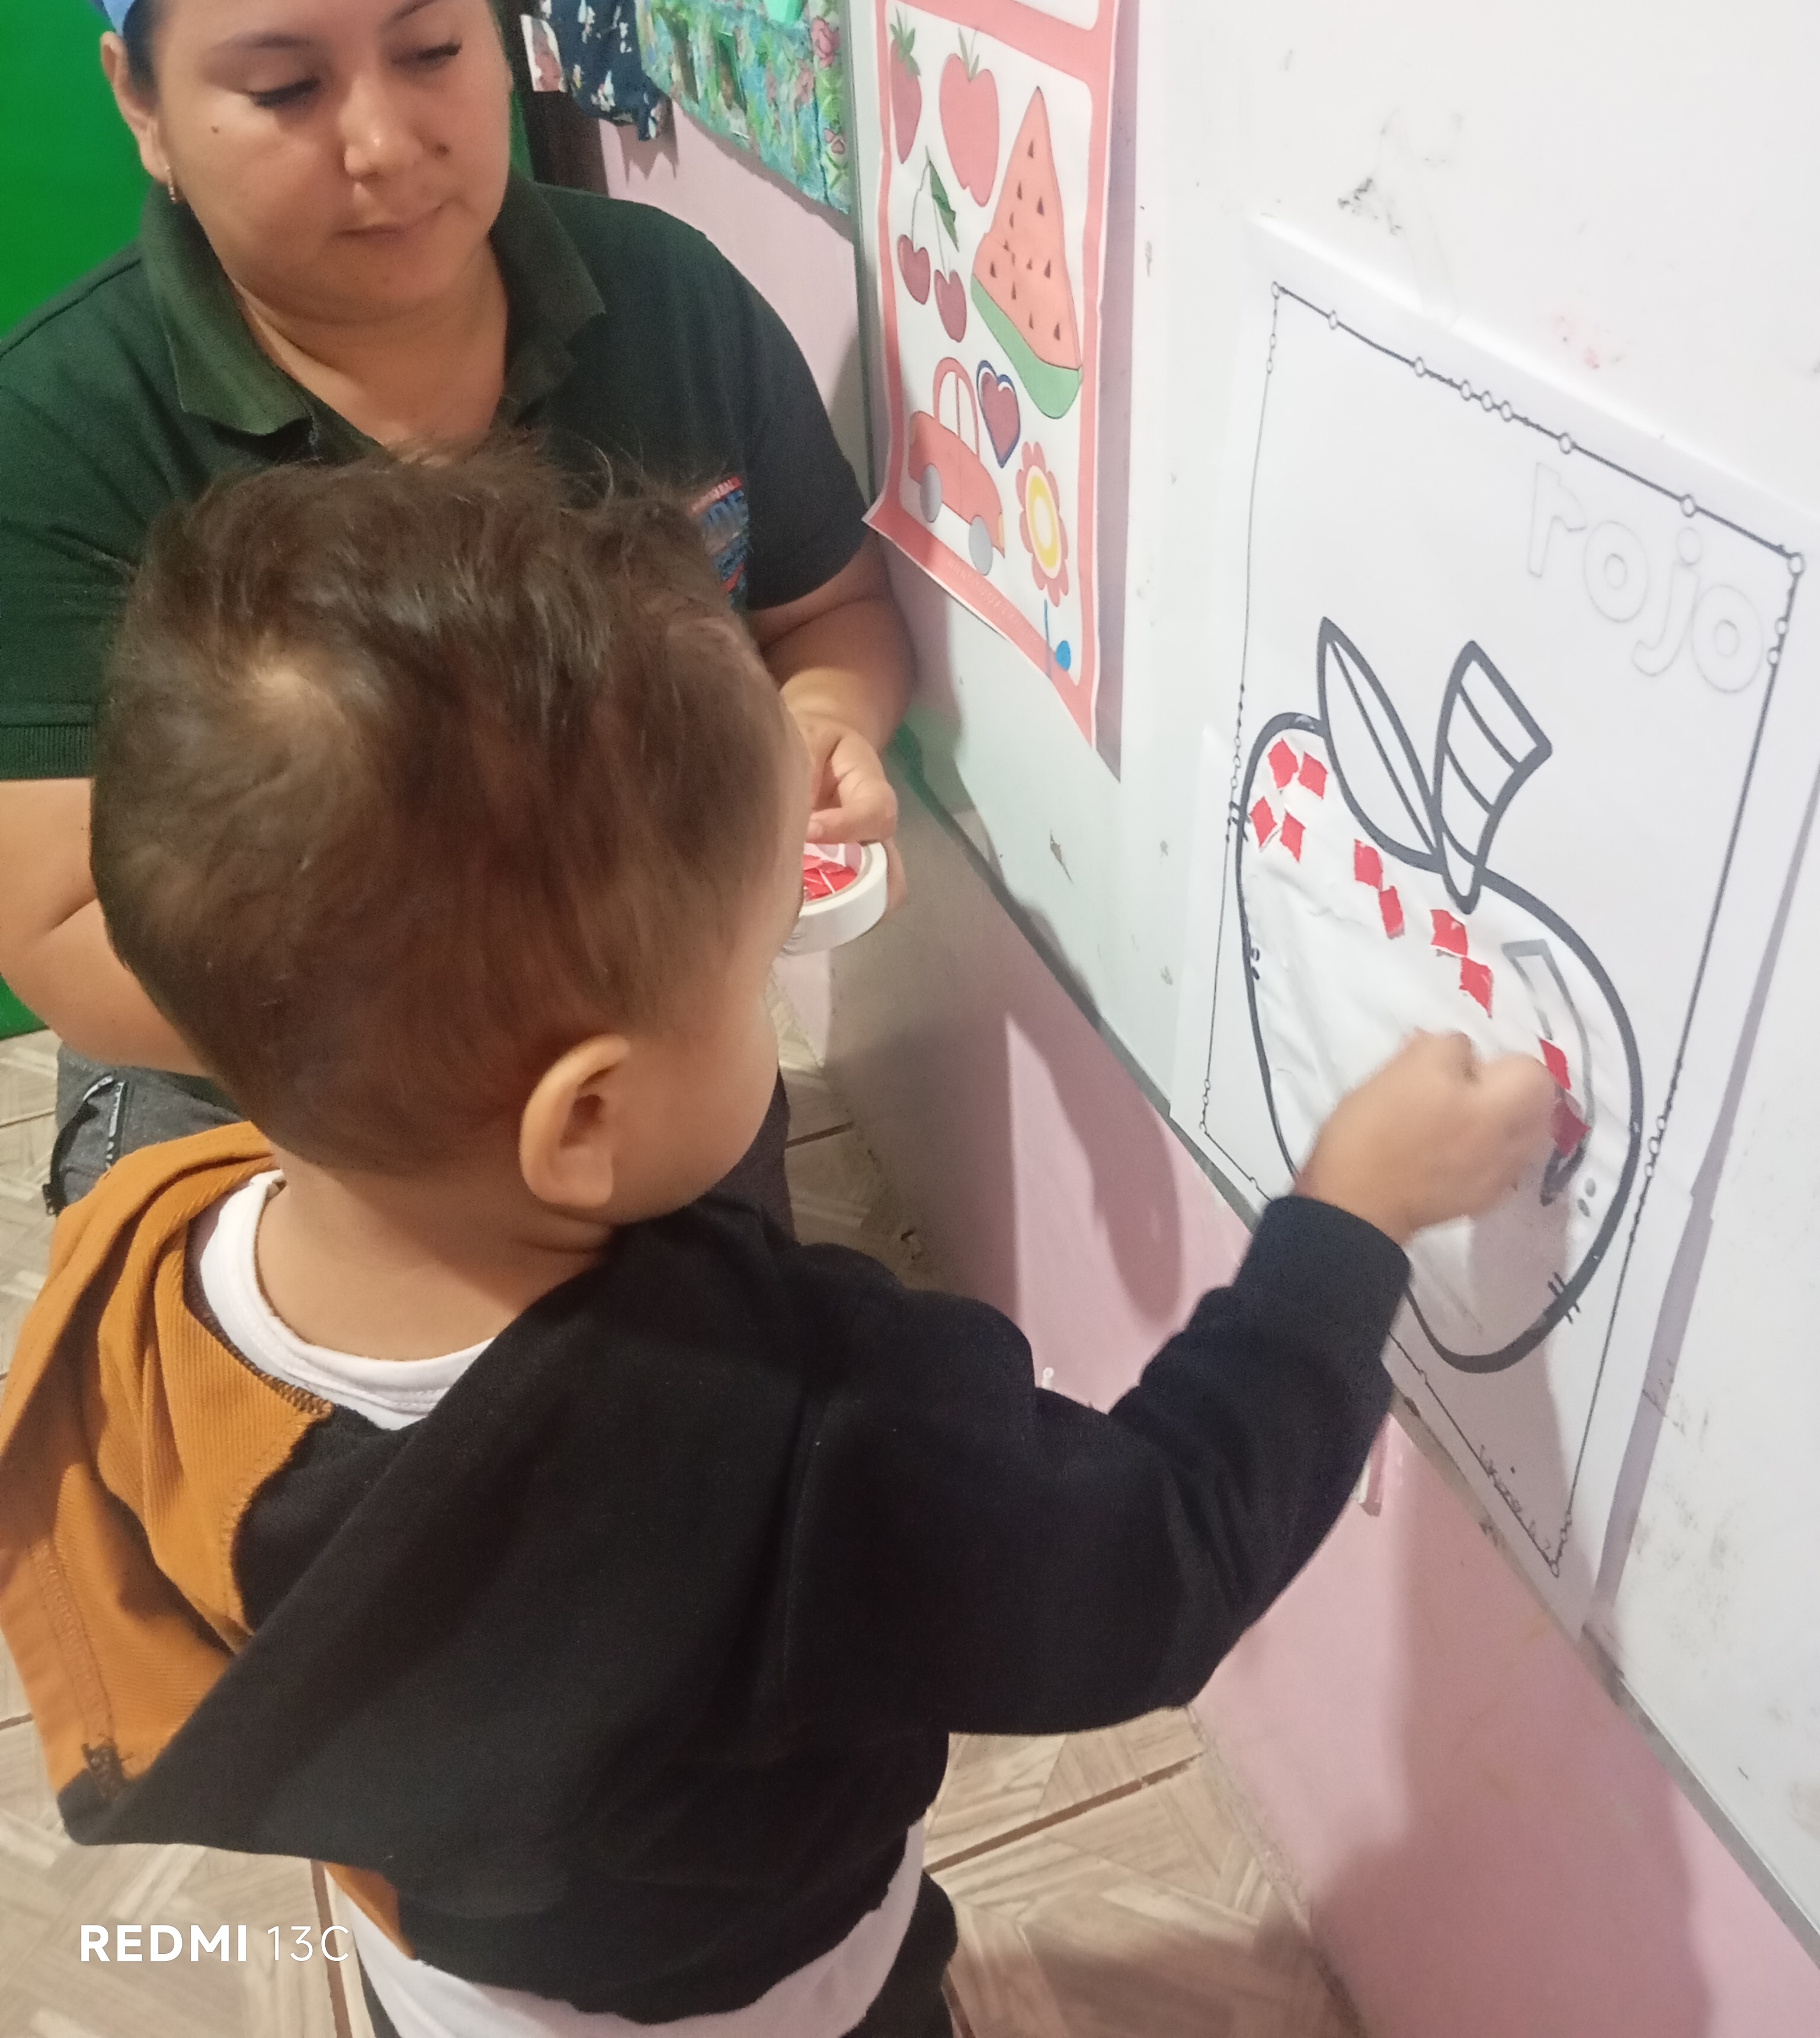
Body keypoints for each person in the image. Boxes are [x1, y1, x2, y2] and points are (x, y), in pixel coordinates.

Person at [0, 448, 1556, 2038]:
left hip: (443, 1984)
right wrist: (1347, 1222)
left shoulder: (137, 1262)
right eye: (757, 969)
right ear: (584, 1120)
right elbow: (1154, 1570)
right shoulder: (803, 1426)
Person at [0, 0, 909, 1212]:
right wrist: (499, 1022)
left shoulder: (669, 302)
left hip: (648, 1034)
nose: (384, 142)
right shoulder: (56, 429)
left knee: (726, 1335)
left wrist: (815, 733)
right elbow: (60, 928)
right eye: (283, 89)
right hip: (276, 1074)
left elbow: (830, 614)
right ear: (140, 104)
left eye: (432, 49)